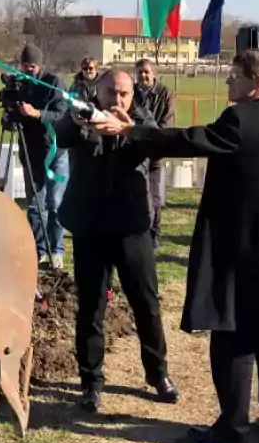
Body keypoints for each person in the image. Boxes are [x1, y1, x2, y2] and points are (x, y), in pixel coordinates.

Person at [97, 50, 259, 443]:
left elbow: (189, 139)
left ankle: (232, 429)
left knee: (231, 336)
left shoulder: (240, 120)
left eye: (233, 76)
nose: (227, 82)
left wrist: (131, 132)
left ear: (257, 83)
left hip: (240, 252)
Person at [54, 65, 179, 412]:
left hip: (132, 227)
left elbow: (157, 144)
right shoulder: (83, 112)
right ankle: (90, 382)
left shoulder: (141, 119)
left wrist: (130, 127)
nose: (118, 98)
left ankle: (158, 374)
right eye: (112, 92)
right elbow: (60, 134)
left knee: (147, 305)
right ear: (100, 91)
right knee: (91, 308)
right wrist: (80, 121)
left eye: (125, 93)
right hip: (91, 227)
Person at [14, 44, 69, 270]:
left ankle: (56, 249)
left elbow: (62, 112)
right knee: (36, 205)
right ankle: (40, 250)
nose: (29, 70)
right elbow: (9, 117)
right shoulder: (19, 85)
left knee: (55, 203)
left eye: (33, 66)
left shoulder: (53, 83)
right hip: (31, 151)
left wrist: (37, 113)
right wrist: (11, 118)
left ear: (40, 64)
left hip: (56, 151)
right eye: (25, 66)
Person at [133, 58, 175, 248]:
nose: (143, 75)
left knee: (154, 197)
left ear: (154, 74)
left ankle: (153, 234)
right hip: (133, 151)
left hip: (155, 151)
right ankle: (137, 231)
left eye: (146, 72)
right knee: (135, 194)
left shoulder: (164, 94)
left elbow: (168, 121)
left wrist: (156, 138)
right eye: (140, 72)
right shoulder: (131, 92)